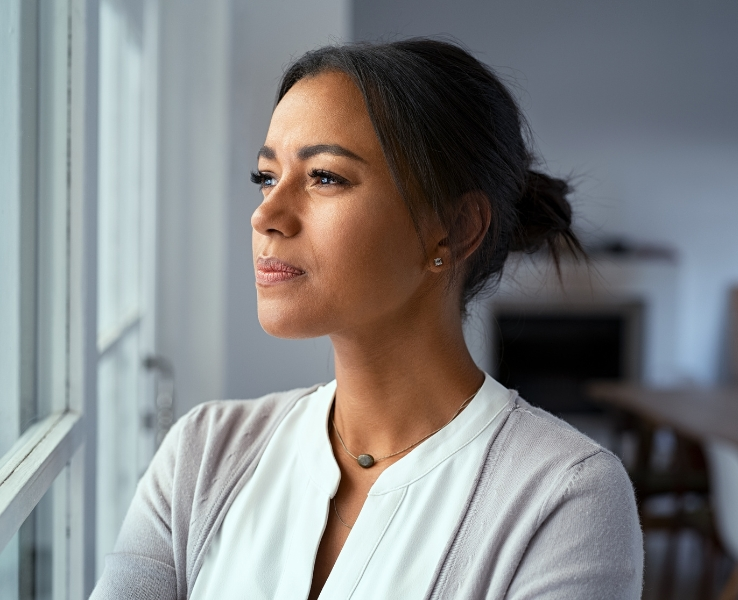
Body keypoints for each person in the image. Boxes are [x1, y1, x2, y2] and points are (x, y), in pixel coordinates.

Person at [91, 38, 642, 600]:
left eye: (325, 176)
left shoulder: (564, 499)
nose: (266, 215)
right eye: (266, 177)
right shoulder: (204, 454)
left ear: (454, 228)